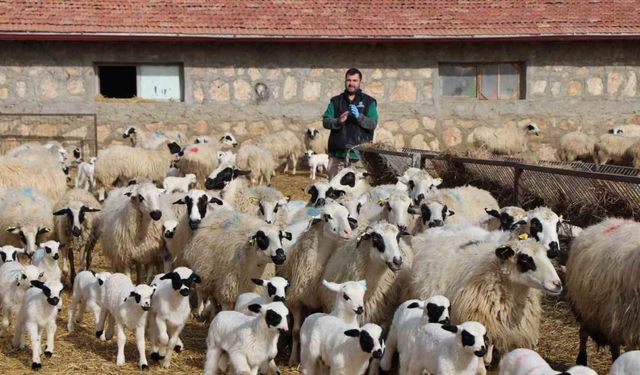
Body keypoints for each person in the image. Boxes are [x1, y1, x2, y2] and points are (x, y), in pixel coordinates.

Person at [322, 68, 378, 178]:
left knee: (357, 192)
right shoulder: (336, 101)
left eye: (354, 80)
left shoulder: (369, 101)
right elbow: (326, 121)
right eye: (348, 80)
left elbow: (373, 124)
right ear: (345, 81)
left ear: (360, 82)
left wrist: (359, 117)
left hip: (359, 157)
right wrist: (338, 121)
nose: (351, 83)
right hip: (337, 156)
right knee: (334, 191)